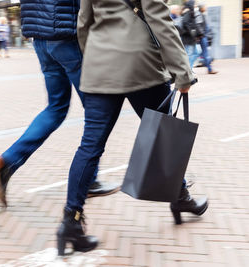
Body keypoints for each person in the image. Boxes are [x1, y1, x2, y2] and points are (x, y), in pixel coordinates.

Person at [56, 0, 208, 256]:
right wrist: (182, 71)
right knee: (163, 135)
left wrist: (95, 58)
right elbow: (160, 20)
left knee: (90, 145)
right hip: (141, 64)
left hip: (100, 67)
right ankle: (180, 198)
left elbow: (83, 23)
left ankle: (70, 222)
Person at [0, 0, 120, 208]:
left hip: (40, 39)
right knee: (98, 112)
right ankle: (90, 180)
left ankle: (6, 162)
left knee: (55, 108)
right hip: (67, 36)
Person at [196, 3, 217, 74]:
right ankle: (209, 68)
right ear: (201, 8)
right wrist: (202, 34)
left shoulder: (202, 15)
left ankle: (209, 67)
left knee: (203, 53)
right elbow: (198, 26)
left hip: (203, 37)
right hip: (202, 37)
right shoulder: (199, 15)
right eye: (205, 7)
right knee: (204, 53)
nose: (206, 8)